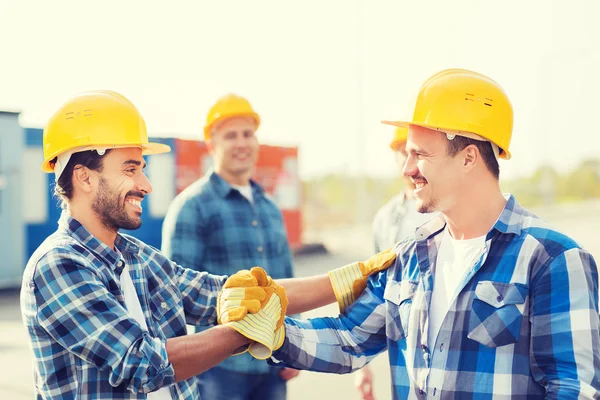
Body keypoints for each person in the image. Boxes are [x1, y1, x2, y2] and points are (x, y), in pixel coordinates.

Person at [223, 69, 600, 398]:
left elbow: (573, 389)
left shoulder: (552, 260)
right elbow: (349, 338)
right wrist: (273, 331)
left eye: (419, 154)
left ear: (469, 157)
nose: (407, 169)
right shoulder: (412, 255)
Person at [20, 90, 396, 399]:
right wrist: (249, 330)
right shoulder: (58, 266)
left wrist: (349, 278)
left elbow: (224, 293)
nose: (147, 185)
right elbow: (141, 363)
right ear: (85, 178)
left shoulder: (137, 259)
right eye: (131, 169)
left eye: (142, 169)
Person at [161, 94, 299, 399]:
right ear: (212, 145)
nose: (241, 143)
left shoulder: (269, 207)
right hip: (219, 370)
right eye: (231, 135)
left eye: (248, 134)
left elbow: (285, 282)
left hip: (273, 362)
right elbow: (172, 296)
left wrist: (295, 343)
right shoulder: (191, 207)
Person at [355, 126, 436, 400]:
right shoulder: (386, 219)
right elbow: (371, 292)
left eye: (416, 152)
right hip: (405, 347)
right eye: (402, 153)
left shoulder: (450, 208)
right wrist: (361, 366)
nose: (408, 161)